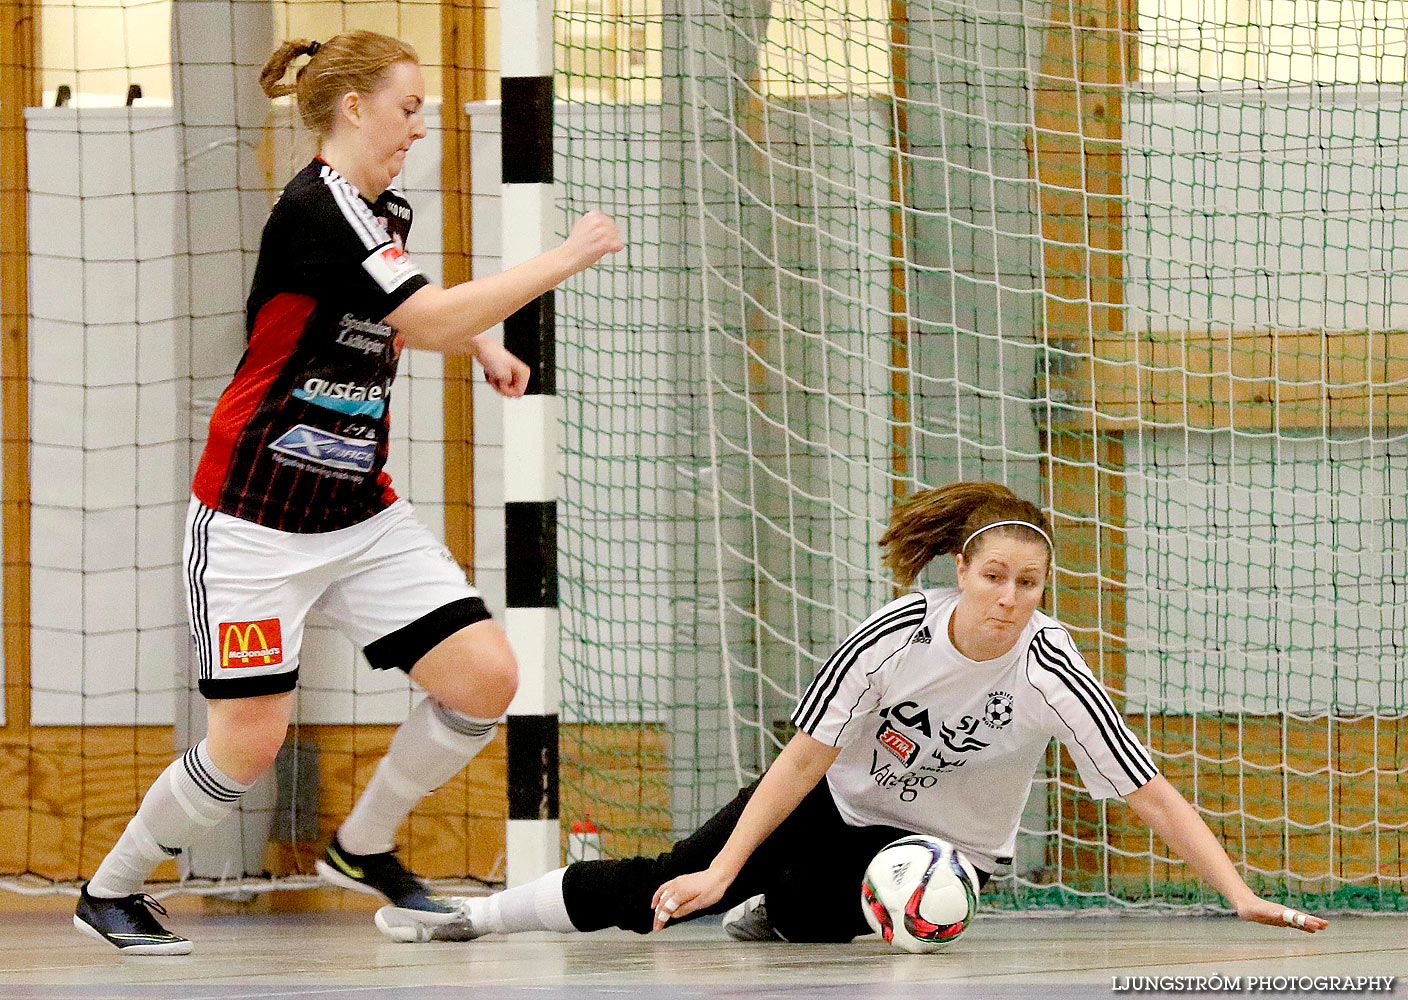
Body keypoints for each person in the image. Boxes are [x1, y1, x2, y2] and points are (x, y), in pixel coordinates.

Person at [73, 30, 624, 954]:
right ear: (353, 107)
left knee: (485, 676)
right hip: (254, 519)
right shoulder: (316, 209)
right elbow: (423, 311)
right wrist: (563, 259)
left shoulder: (379, 211)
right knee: (246, 745)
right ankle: (112, 889)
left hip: (360, 512)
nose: (419, 126)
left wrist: (479, 341)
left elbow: (384, 312)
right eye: (408, 108)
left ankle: (362, 847)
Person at [392, 481, 1329, 945]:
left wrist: (1236, 892)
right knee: (677, 880)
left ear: (1045, 590)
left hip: (938, 853)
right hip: (837, 798)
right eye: (994, 576)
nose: (1009, 597)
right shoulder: (893, 635)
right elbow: (801, 759)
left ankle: (779, 906)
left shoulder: (1051, 669)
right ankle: (473, 922)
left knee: (813, 910)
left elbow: (1150, 792)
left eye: (1029, 584)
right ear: (960, 572)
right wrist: (721, 866)